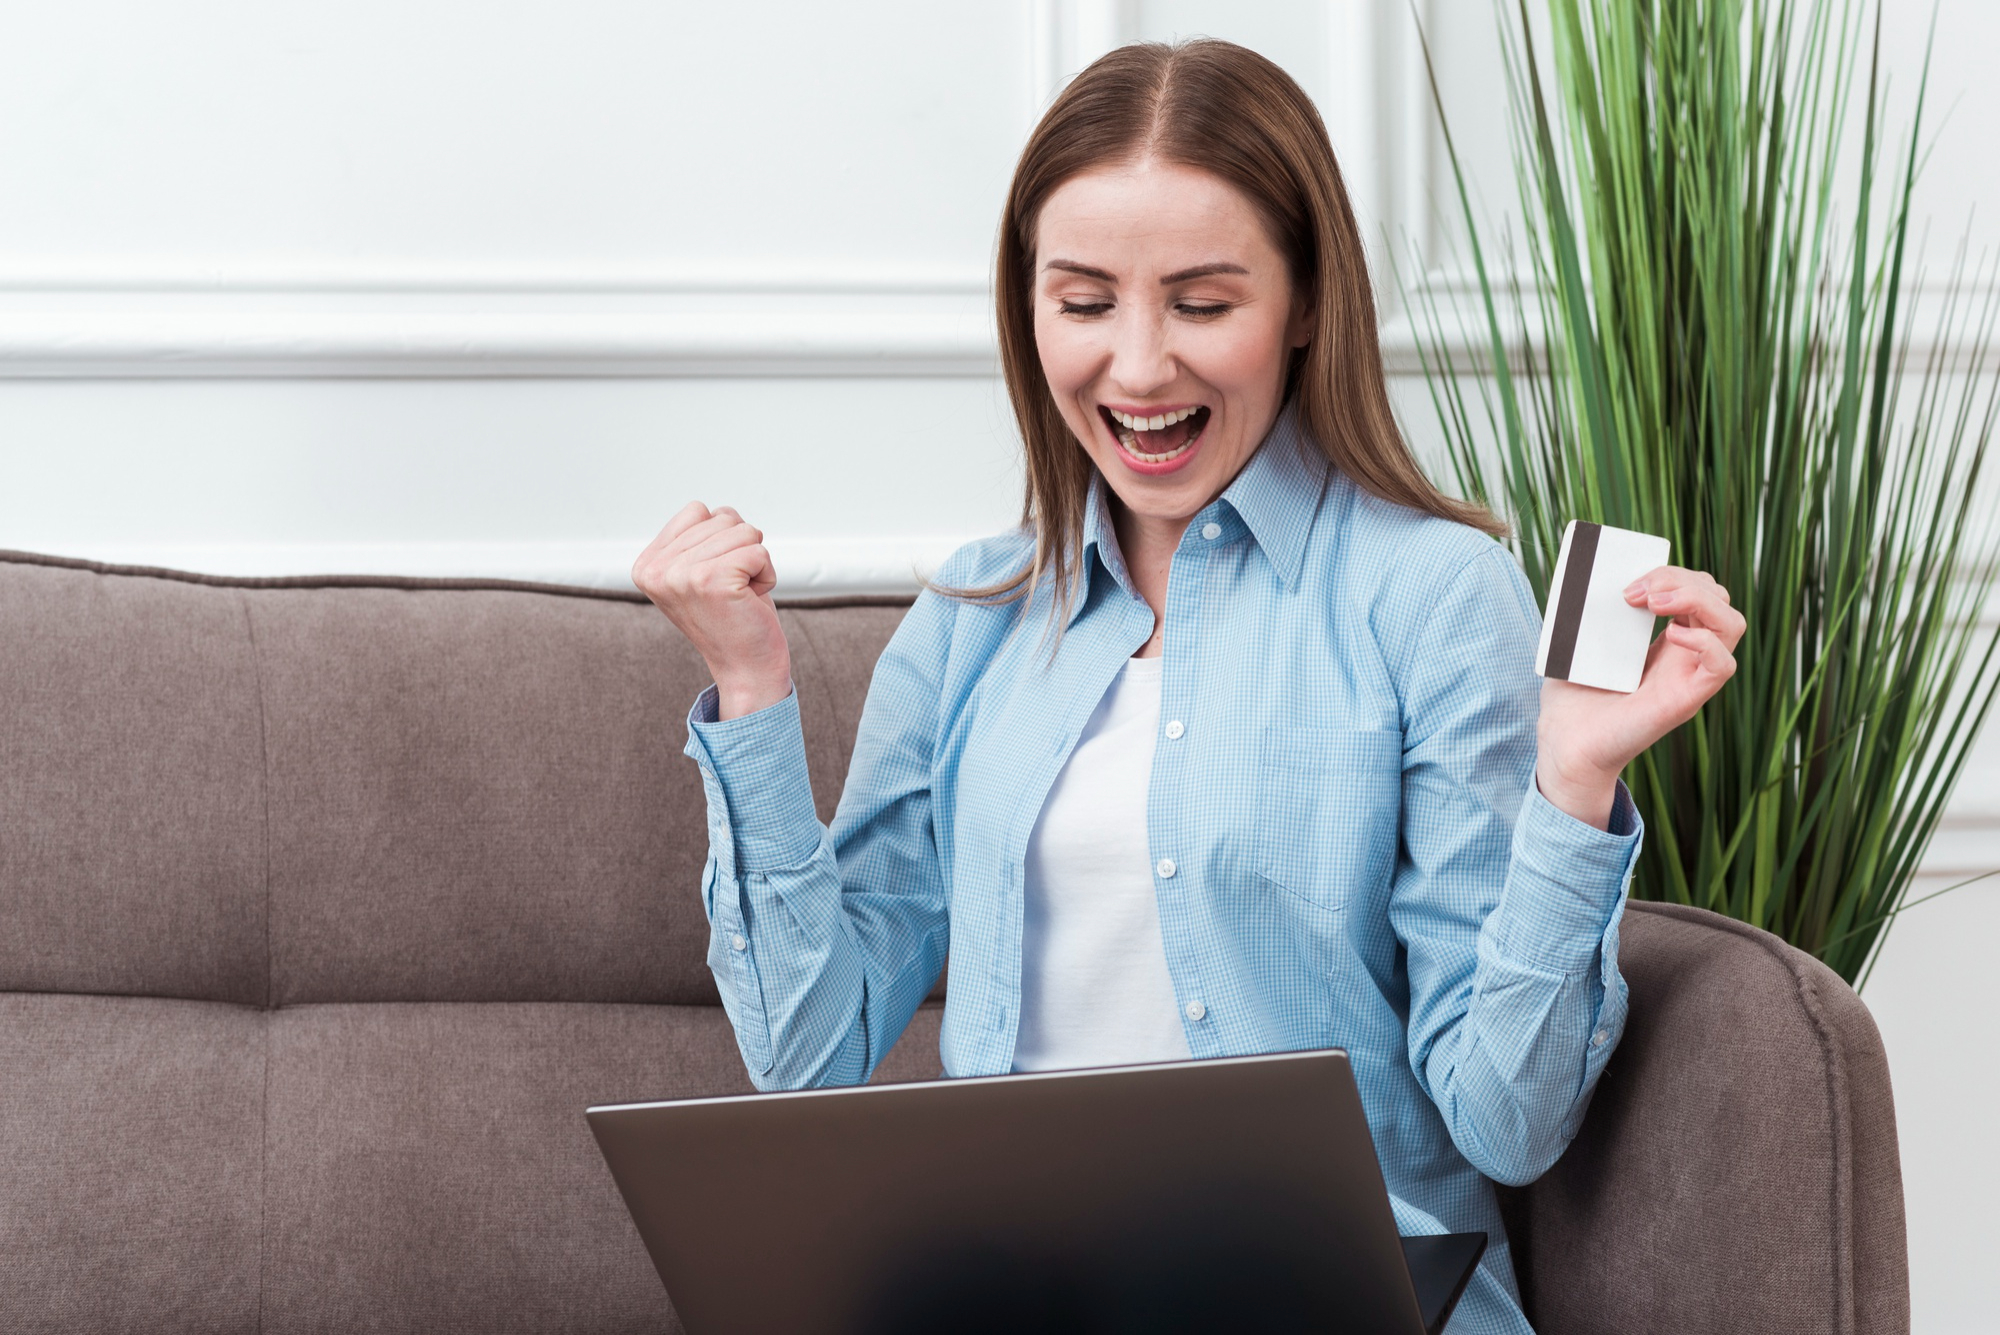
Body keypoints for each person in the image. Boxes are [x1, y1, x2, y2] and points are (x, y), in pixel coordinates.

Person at [631, 38, 1743, 1335]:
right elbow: (810, 1059)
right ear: (1027, 306)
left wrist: (1572, 786)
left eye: (1205, 304)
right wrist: (752, 694)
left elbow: (1507, 1120)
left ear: (1309, 301)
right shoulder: (973, 623)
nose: (1142, 366)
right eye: (1085, 301)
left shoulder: (1432, 596)